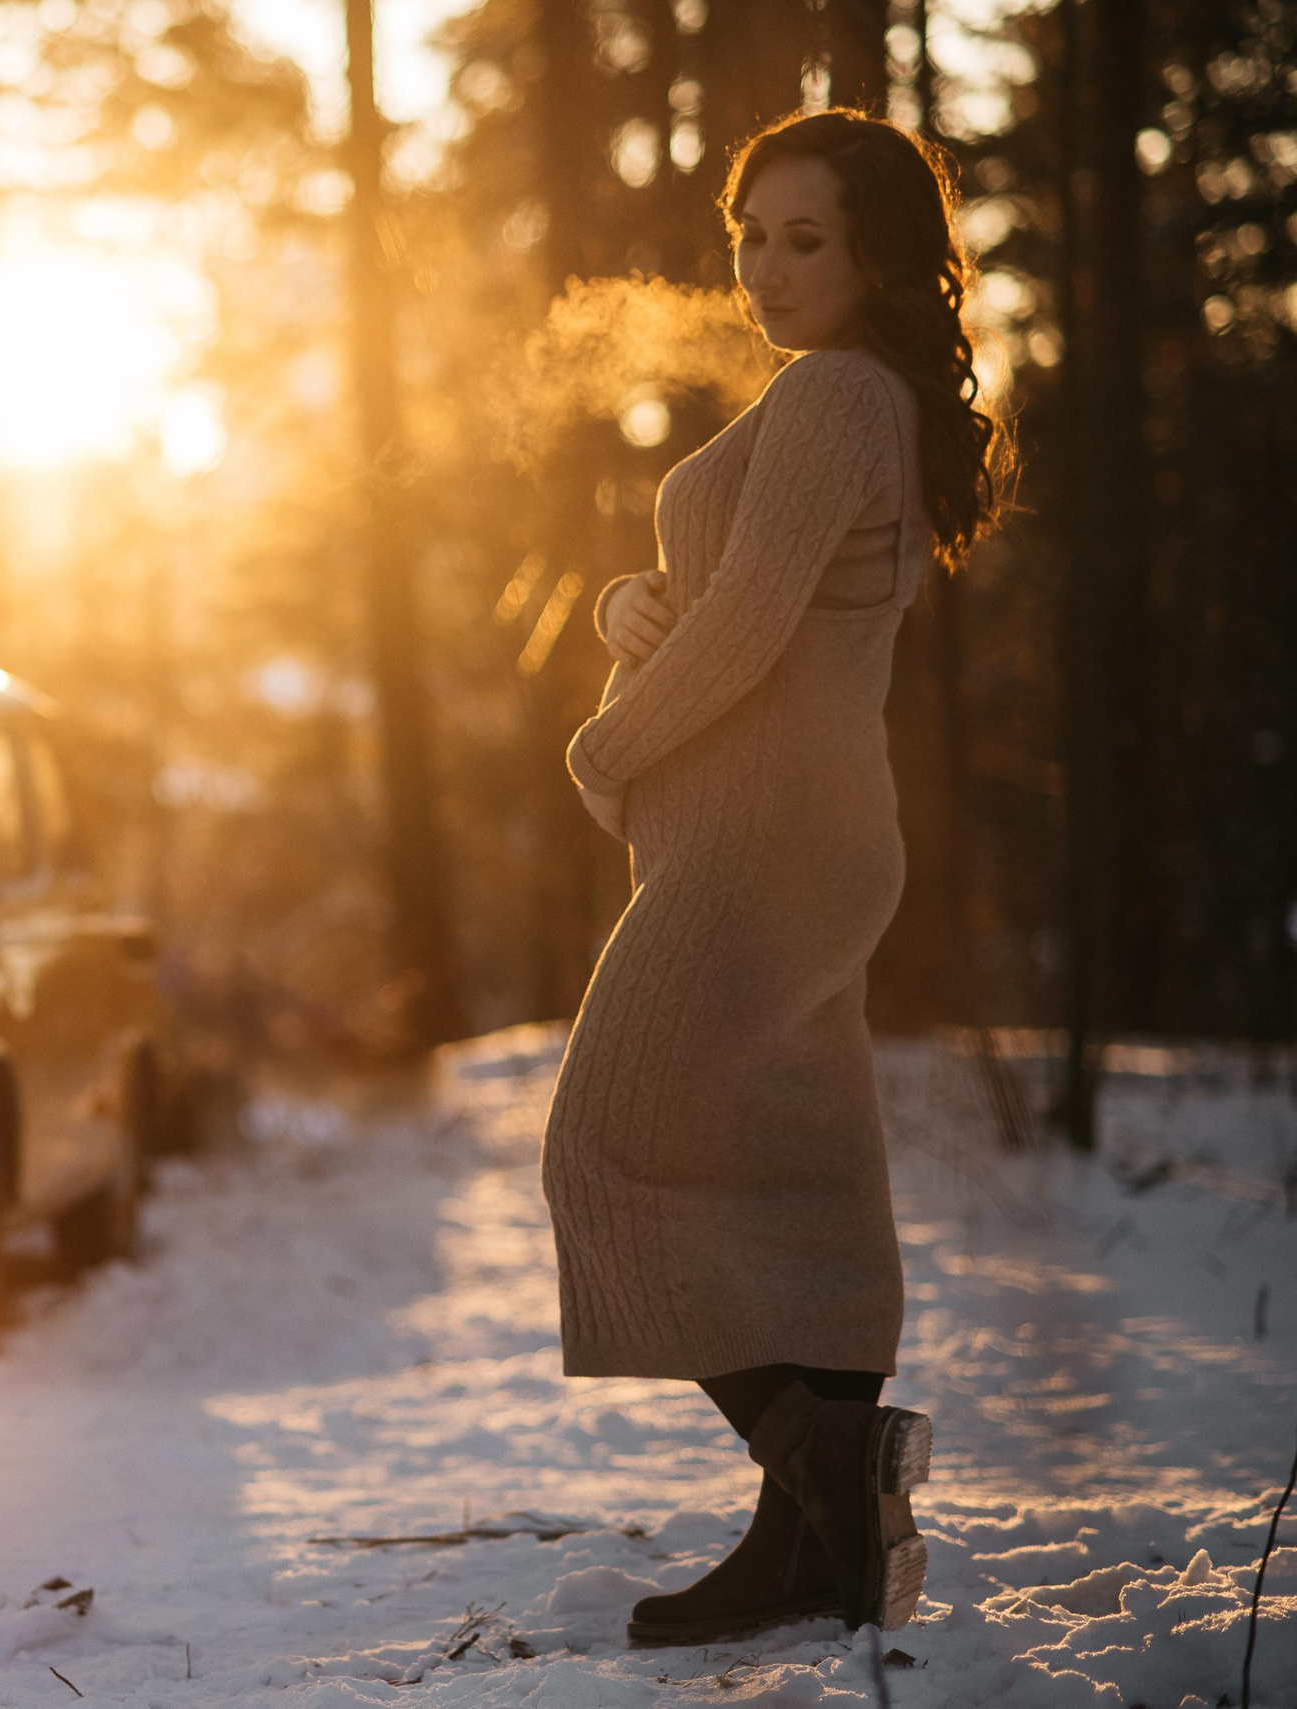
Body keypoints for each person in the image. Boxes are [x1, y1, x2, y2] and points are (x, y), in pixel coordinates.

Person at [540, 107, 1012, 1648]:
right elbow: (748, 600)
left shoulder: (831, 394)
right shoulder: (866, 402)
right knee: (806, 1178)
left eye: (805, 239)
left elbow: (746, 632)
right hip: (814, 834)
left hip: (755, 847)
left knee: (600, 1150)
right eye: (750, 236)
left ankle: (828, 1475)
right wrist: (630, 604)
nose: (765, 268)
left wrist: (605, 745)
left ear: (879, 254)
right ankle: (806, 1541)